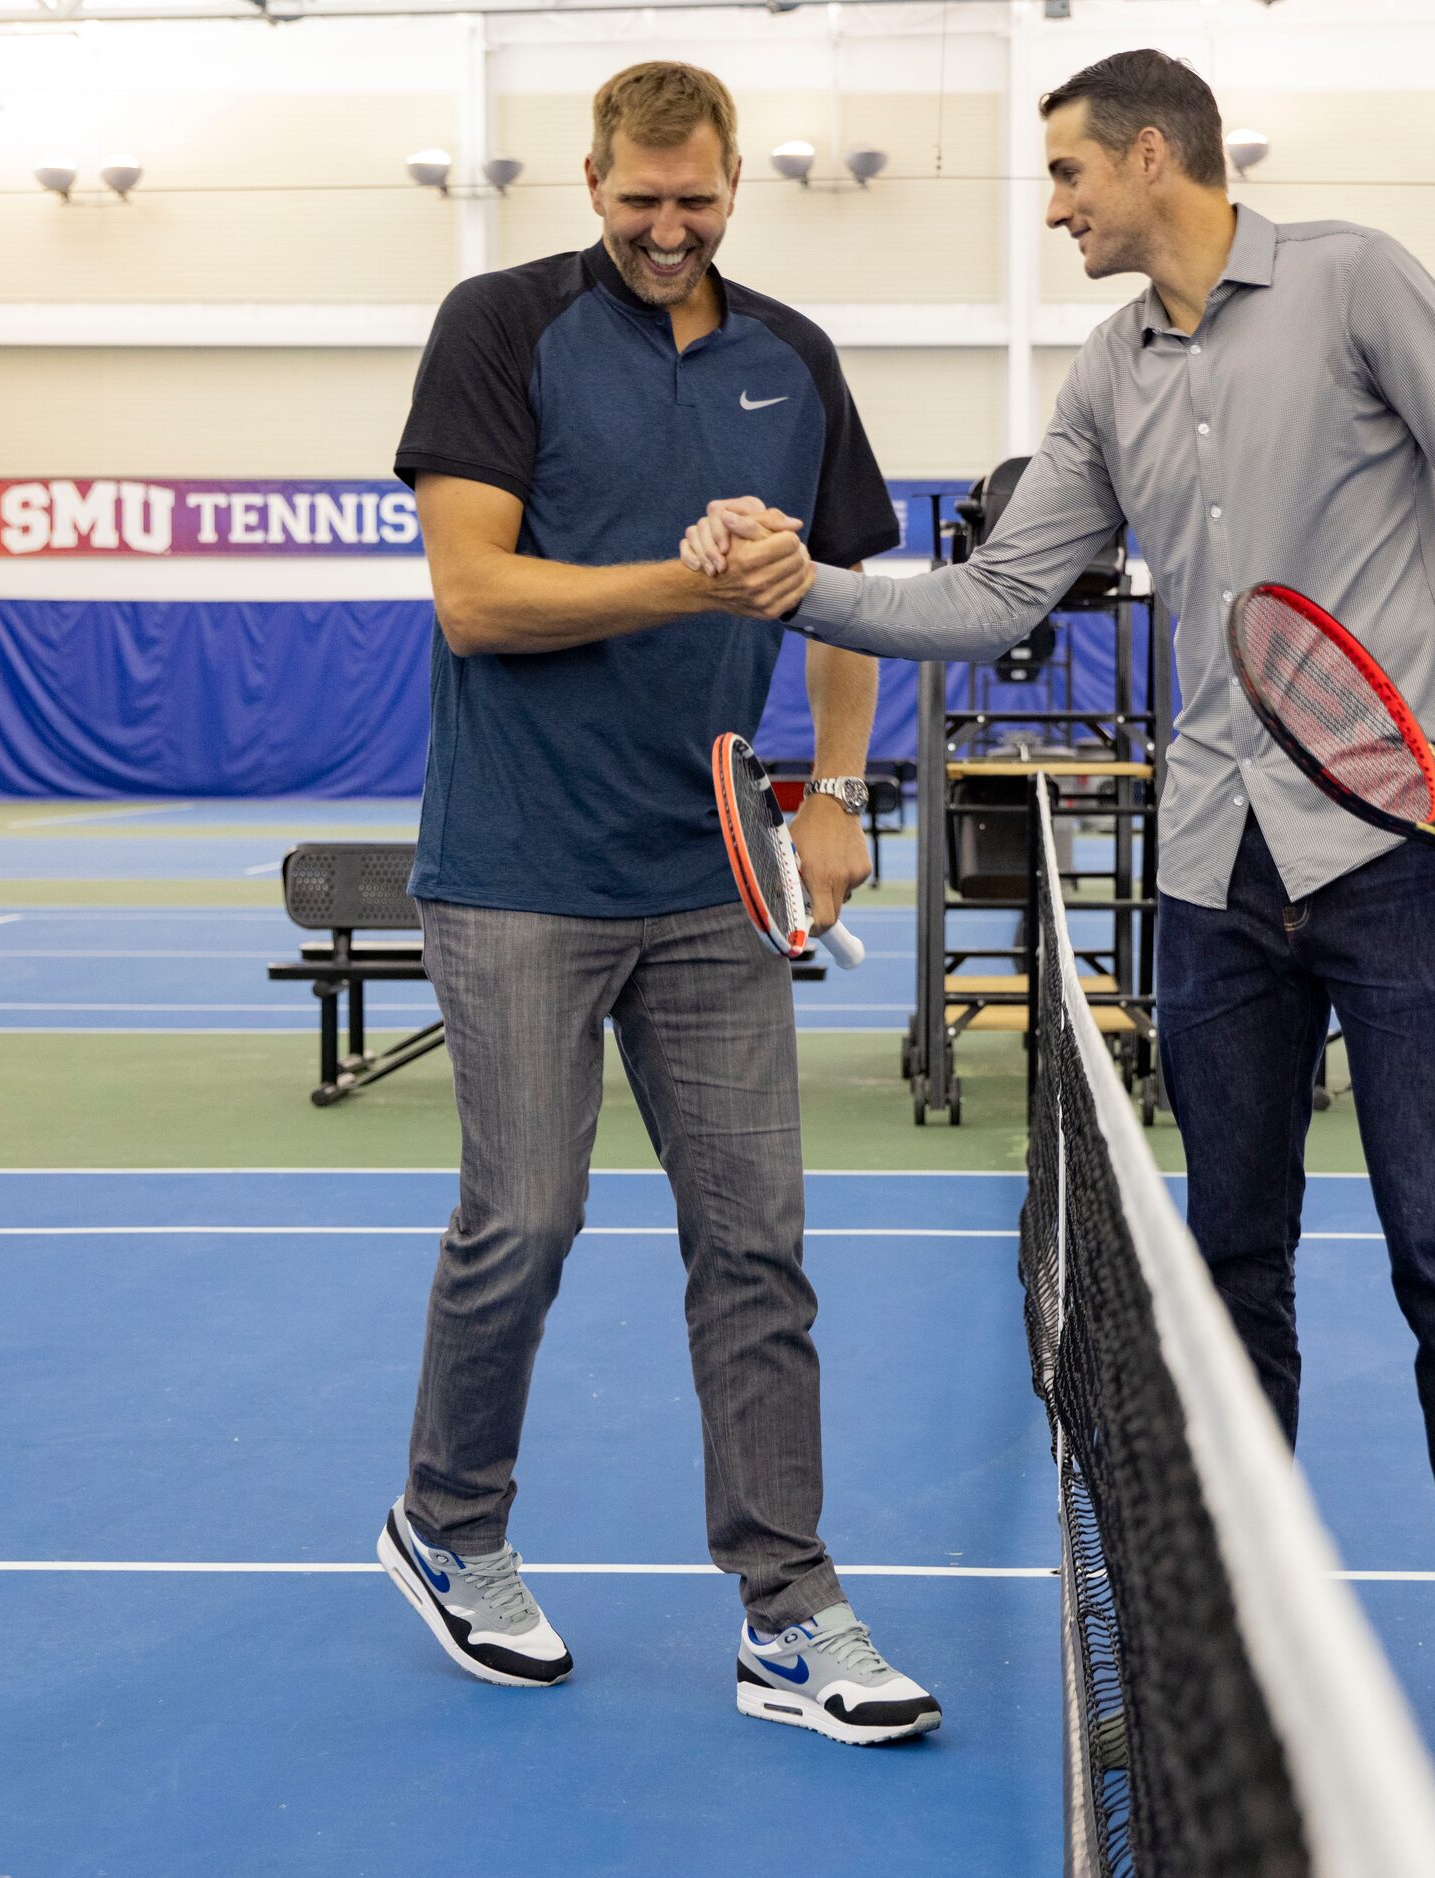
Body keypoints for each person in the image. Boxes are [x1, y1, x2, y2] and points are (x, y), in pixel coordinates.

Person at [682, 48, 1435, 1809]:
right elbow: (1001, 593)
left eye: (1068, 176)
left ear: (1152, 155)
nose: (1055, 208)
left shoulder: (1353, 282)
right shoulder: (1107, 370)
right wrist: (814, 582)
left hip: (1402, 854)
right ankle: (1244, 1630)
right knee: (1229, 1272)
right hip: (1215, 874)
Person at [374, 59, 940, 1747]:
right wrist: (692, 575)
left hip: (713, 882)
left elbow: (841, 596)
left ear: (737, 187)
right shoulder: (499, 326)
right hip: (519, 868)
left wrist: (833, 792)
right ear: (593, 175)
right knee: (527, 1218)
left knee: (756, 1239)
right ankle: (450, 1523)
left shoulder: (793, 360)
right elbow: (474, 597)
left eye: (697, 203)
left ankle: (789, 1609)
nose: (668, 229)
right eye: (640, 200)